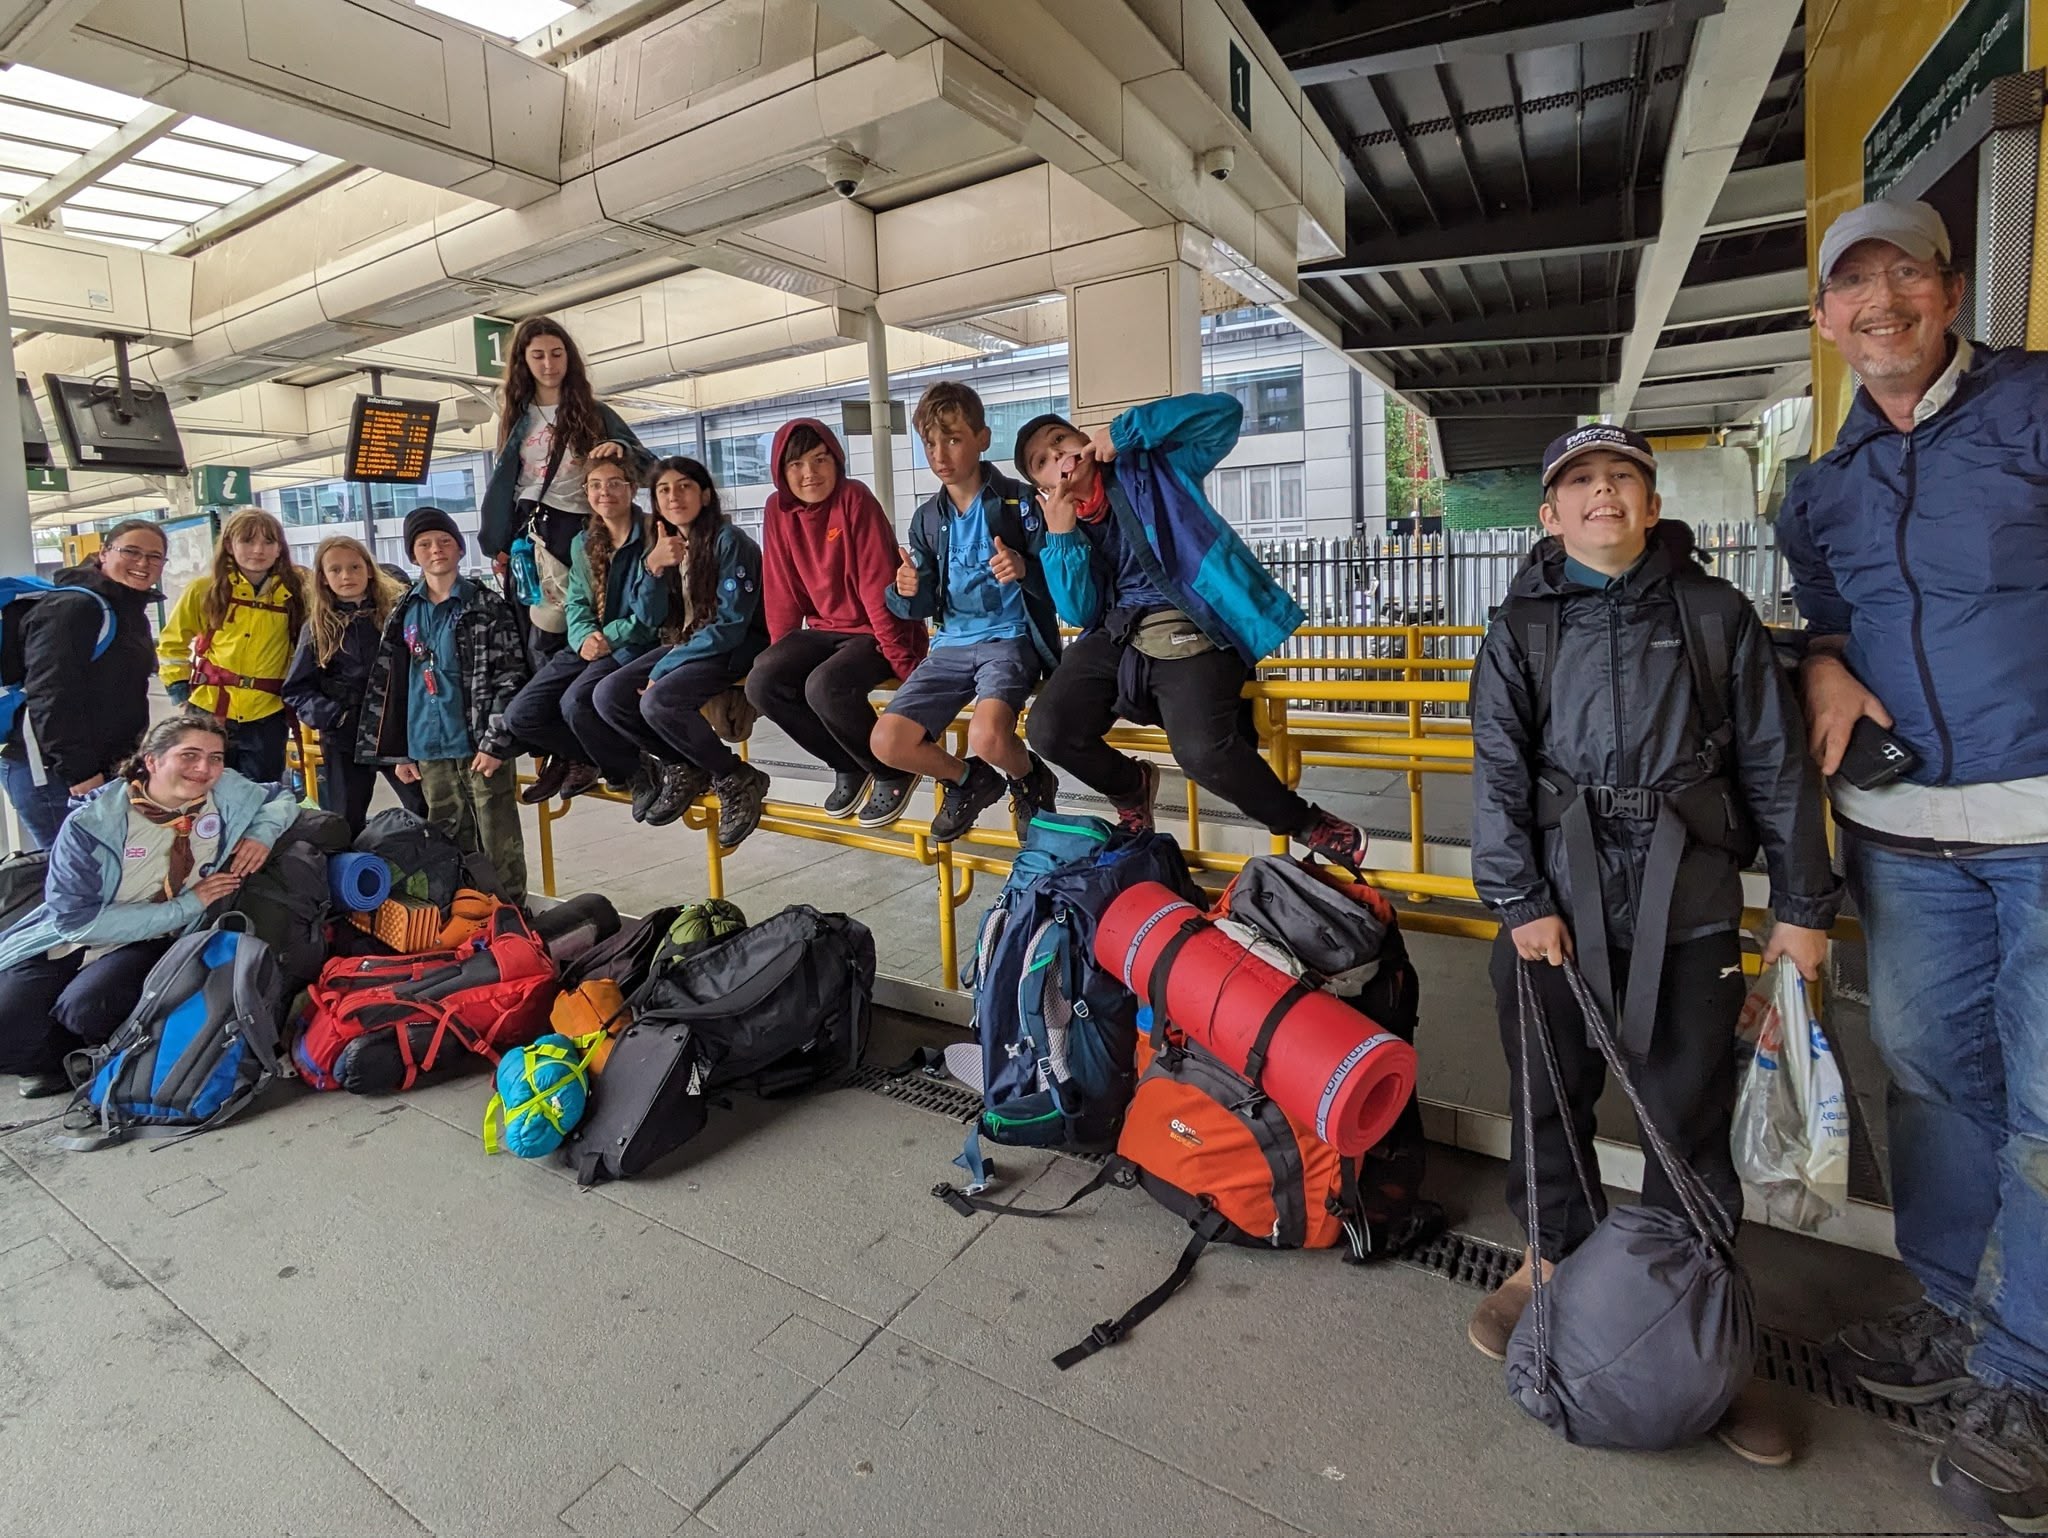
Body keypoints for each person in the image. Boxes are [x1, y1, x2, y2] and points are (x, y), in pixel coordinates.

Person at [1467, 424, 1839, 1465]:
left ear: (1649, 500)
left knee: (1685, 1107)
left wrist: (1801, 906)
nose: (1599, 496)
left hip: (1688, 898)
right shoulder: (1518, 627)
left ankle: (1689, 1317)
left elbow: (1774, 767)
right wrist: (1515, 895)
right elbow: (1494, 768)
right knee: (1548, 1091)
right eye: (1577, 483)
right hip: (1555, 902)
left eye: (1619, 479)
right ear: (1547, 512)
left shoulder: (1715, 614)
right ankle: (1548, 1262)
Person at [1779, 197, 2048, 1527]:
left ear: (1948, 291)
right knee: (1936, 1076)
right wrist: (1823, 657)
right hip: (1909, 835)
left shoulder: (2036, 410)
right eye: (1853, 287)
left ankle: (2027, 1368)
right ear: (1826, 321)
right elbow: (1821, 614)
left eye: (1904, 277)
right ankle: (1956, 1307)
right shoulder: (1822, 485)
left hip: (2046, 820)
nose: (1880, 304)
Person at [1015, 398, 1366, 865]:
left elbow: (1224, 415)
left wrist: (1124, 432)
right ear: (1041, 485)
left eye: (1060, 440)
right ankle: (1130, 787)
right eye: (1041, 461)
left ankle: (1306, 822)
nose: (1057, 457)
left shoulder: (1155, 465)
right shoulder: (1059, 526)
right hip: (1119, 632)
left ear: (1083, 440)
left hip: (1196, 615)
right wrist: (1063, 538)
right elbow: (1081, 610)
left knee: (1202, 751)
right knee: (1047, 728)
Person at [0, 709, 297, 1098]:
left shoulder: (226, 793)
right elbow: (74, 920)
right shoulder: (94, 822)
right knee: (8, 1031)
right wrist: (186, 905)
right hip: (85, 933)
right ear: (152, 761)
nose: (204, 769)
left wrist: (262, 833)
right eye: (189, 756)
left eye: (216, 758)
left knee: (84, 1007)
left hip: (158, 939)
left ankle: (89, 1050)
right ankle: (58, 1049)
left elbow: (283, 796)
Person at [872, 382, 1060, 843]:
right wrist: (905, 591)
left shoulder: (1018, 501)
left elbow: (1056, 577)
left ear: (981, 438)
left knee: (988, 737)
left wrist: (1023, 568)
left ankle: (1031, 779)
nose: (940, 454)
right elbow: (923, 602)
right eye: (930, 443)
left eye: (953, 439)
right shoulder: (927, 519)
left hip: (1009, 639)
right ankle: (967, 780)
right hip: (950, 645)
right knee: (887, 742)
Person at [746, 417, 927, 827]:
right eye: (796, 465)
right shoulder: (777, 509)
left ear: (836, 459)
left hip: (876, 629)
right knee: (762, 682)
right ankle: (848, 762)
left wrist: (904, 663)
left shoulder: (853, 498)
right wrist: (780, 654)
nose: (809, 474)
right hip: (825, 630)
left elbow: (875, 584)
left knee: (824, 686)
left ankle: (893, 769)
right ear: (781, 471)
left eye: (819, 459)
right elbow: (781, 588)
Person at [588, 456, 772, 843]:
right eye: (664, 490)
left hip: (732, 646)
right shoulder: (662, 544)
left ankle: (734, 775)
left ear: (705, 494)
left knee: (659, 702)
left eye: (685, 486)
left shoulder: (729, 542)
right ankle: (683, 764)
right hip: (685, 642)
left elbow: (730, 626)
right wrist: (653, 569)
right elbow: (652, 616)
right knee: (608, 696)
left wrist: (665, 667)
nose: (674, 497)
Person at [357, 508, 531, 905]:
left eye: (444, 541)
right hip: (427, 744)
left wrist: (496, 741)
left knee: (497, 833)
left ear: (458, 546)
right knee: (445, 831)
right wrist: (398, 749)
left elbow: (509, 675)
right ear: (413, 556)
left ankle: (511, 912)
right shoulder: (403, 612)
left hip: (477, 743)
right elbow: (393, 684)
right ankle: (462, 909)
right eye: (424, 544)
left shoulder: (486, 605)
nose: (436, 550)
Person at [478, 316, 651, 668]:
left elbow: (648, 467)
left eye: (557, 354)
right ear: (523, 362)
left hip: (582, 528)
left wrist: (618, 447)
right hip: (529, 533)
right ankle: (548, 710)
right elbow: (508, 483)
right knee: (535, 632)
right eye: (538, 355)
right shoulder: (516, 417)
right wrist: (497, 540)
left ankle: (580, 703)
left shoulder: (595, 413)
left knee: (579, 620)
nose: (548, 364)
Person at [505, 455, 668, 808]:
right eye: (595, 485)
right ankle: (594, 756)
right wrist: (582, 638)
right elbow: (576, 602)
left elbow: (651, 616)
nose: (603, 492)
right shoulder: (584, 542)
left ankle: (630, 770)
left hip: (634, 643)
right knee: (520, 716)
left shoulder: (655, 534)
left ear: (632, 489)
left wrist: (608, 637)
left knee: (577, 703)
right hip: (590, 642)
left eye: (613, 483)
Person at [1, 519, 166, 850]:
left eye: (154, 557)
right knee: (75, 880)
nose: (142, 563)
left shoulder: (127, 608)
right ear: (103, 553)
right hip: (56, 773)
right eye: (131, 551)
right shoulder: (77, 608)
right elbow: (50, 695)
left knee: (100, 872)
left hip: (99, 766)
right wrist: (80, 773)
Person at [283, 535, 429, 834]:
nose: (346, 576)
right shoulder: (318, 627)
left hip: (397, 733)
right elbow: (296, 688)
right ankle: (351, 877)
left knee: (424, 807)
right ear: (322, 578)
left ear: (370, 569)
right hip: (344, 737)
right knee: (345, 819)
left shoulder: (397, 615)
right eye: (335, 570)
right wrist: (334, 717)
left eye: (354, 567)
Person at [158, 507, 307, 783]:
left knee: (260, 793)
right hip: (209, 709)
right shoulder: (205, 590)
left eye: (268, 542)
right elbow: (172, 643)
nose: (258, 550)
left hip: (267, 713)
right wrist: (180, 691)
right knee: (202, 788)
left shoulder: (295, 594)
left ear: (279, 549)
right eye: (248, 541)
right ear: (229, 545)